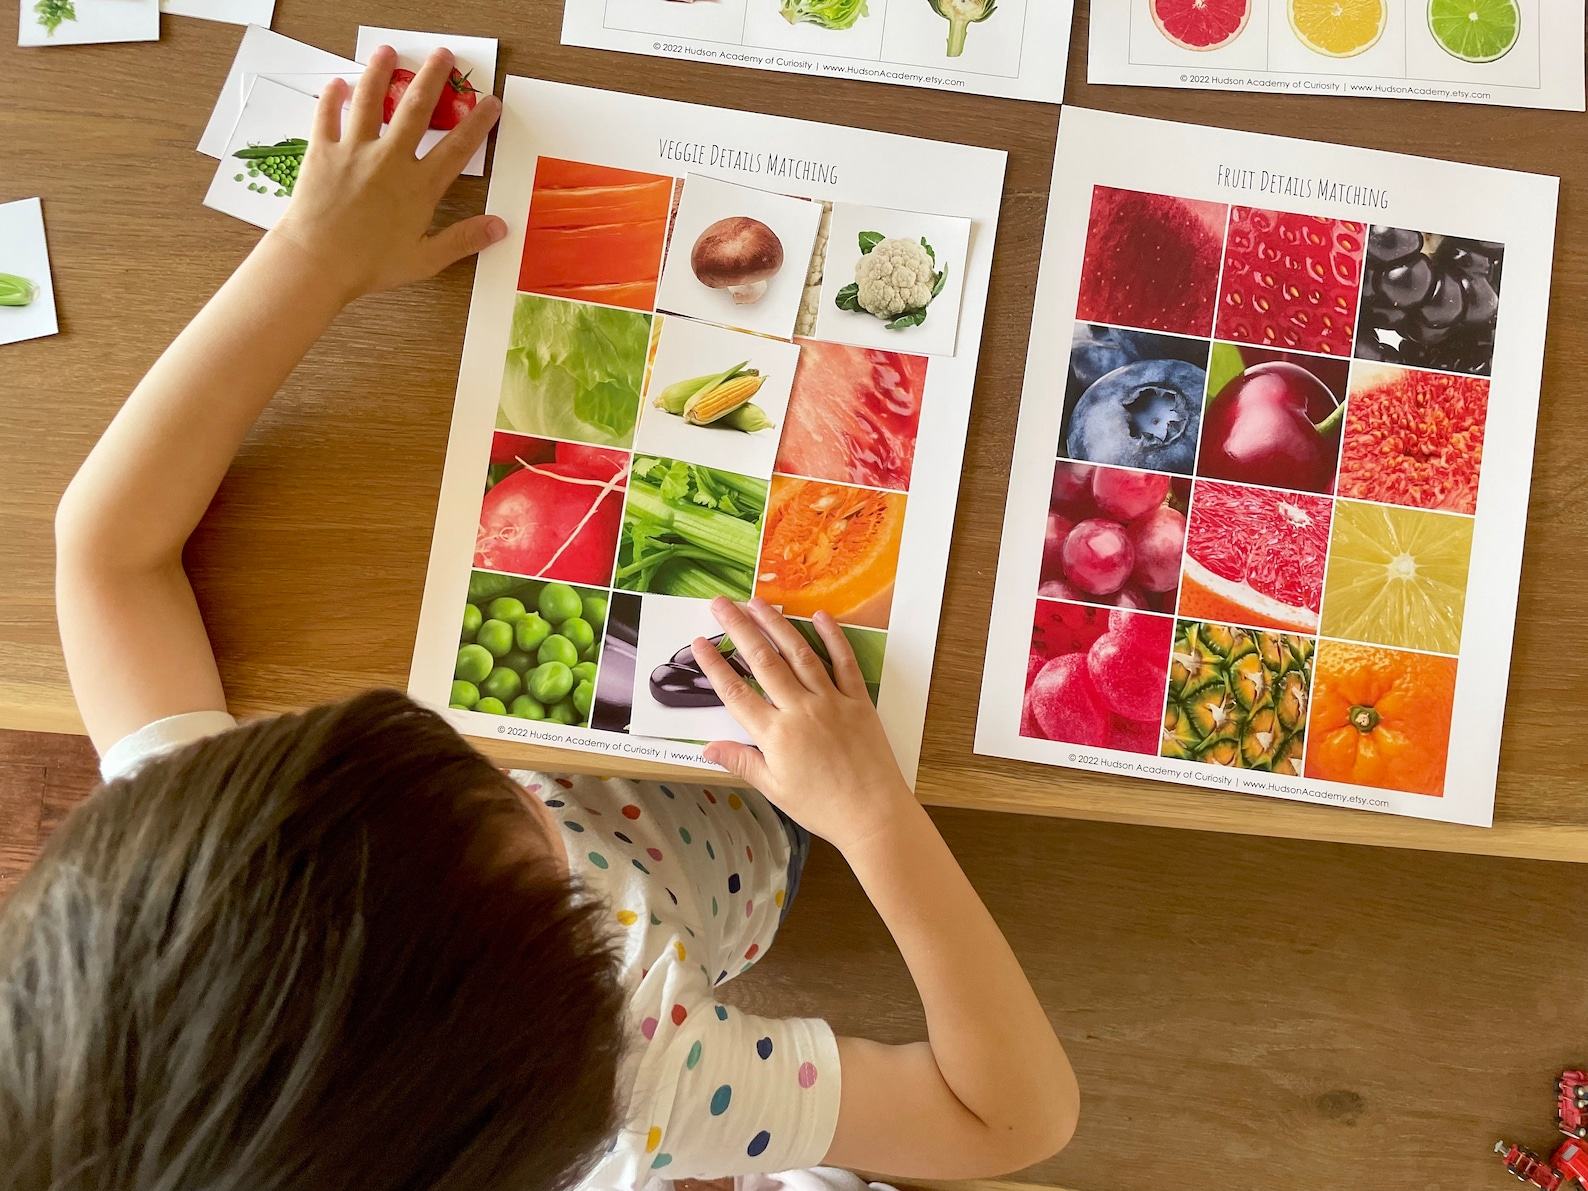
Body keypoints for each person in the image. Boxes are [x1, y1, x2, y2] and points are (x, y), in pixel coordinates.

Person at [4, 47, 1079, 1191]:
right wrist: (870, 817)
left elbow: (105, 554)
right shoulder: (645, 1077)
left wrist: (308, 259)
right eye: (523, 840)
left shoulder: (208, 864)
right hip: (768, 818)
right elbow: (1011, 1122)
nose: (496, 767)